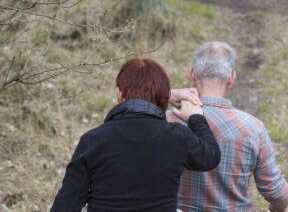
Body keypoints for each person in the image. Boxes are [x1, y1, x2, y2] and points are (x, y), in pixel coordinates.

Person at [50, 58, 221, 212]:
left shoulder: (93, 141)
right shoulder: (177, 137)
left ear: (118, 93)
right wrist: (196, 117)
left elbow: (65, 205)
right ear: (164, 96)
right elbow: (211, 156)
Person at [167, 41, 288, 212]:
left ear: (192, 74)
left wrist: (167, 93)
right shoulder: (254, 128)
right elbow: (276, 192)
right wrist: (277, 209)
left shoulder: (166, 121)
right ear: (231, 78)